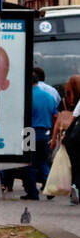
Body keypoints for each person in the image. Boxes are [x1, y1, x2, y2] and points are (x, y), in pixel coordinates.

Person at [22, 66, 60, 200]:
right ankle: (50, 187)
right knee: (43, 162)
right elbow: (56, 116)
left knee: (28, 164)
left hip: (29, 133)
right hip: (45, 133)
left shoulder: (26, 96)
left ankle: (32, 192)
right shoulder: (50, 97)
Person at [50, 75, 80, 204]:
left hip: (74, 137)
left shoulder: (64, 101)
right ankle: (76, 186)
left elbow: (70, 118)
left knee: (74, 164)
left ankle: (74, 186)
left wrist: (57, 137)